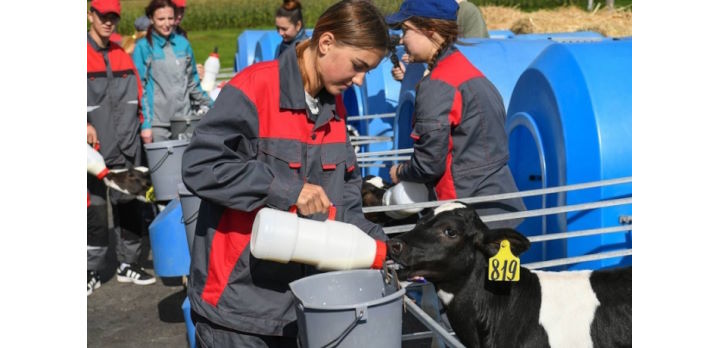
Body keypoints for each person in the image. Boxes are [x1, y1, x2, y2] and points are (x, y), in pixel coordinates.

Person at [181, 0, 389, 346]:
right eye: (358, 66)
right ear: (326, 43)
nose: (361, 80)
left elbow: (346, 199)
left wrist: (386, 247)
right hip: (238, 311)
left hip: (304, 308)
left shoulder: (334, 109)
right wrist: (286, 190)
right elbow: (200, 165)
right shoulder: (255, 88)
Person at [386, 0, 526, 229]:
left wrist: (400, 171)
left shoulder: (438, 85)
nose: (402, 40)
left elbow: (429, 165)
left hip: (464, 220)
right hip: (500, 207)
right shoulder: (469, 71)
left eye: (405, 30)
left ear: (429, 30)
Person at [87, 0, 156, 295]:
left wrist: (144, 128)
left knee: (129, 210)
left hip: (128, 146)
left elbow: (139, 98)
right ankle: (91, 270)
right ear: (91, 15)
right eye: (103, 16)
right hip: (94, 152)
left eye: (113, 17)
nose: (108, 22)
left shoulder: (123, 55)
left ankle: (128, 264)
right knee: (95, 213)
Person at [132, 0, 211, 142]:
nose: (167, 23)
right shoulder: (143, 47)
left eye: (170, 18)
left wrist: (213, 104)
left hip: (184, 121)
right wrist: (146, 125)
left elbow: (193, 83)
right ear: (151, 19)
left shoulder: (183, 44)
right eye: (161, 19)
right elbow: (140, 89)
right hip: (158, 125)